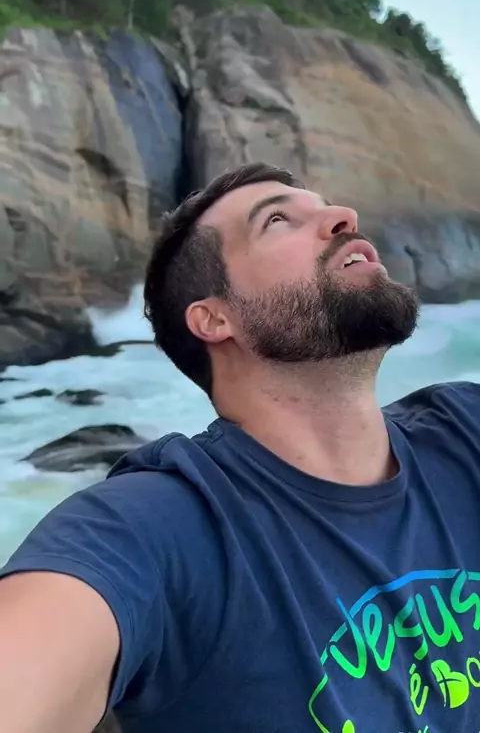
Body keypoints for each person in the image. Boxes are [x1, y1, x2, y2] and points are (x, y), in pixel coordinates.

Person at [0, 162, 479, 733]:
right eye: (276, 220)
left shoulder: (464, 429)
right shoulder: (154, 529)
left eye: (325, 205)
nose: (343, 216)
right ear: (213, 319)